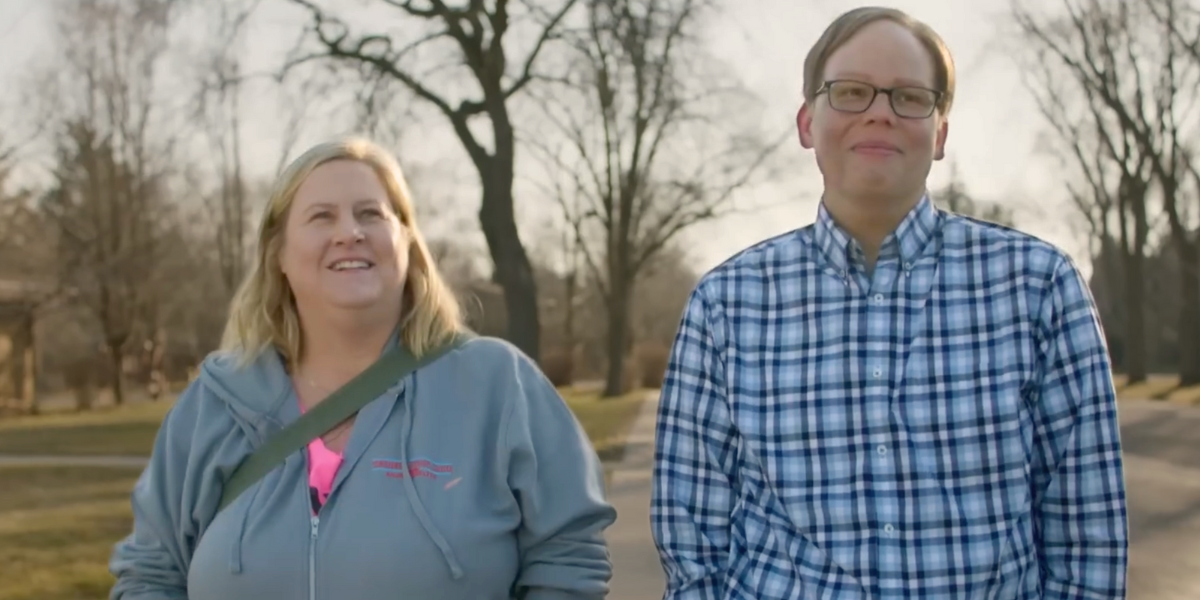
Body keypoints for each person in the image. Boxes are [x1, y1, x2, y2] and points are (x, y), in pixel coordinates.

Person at [651, 6, 1128, 599]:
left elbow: (1087, 533)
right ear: (806, 123)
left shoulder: (1039, 288)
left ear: (941, 133)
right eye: (850, 92)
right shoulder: (725, 306)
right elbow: (691, 536)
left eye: (909, 97)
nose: (879, 111)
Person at [108, 137, 616, 600]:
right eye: (322, 216)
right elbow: (152, 573)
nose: (349, 233)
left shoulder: (497, 385)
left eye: (371, 214)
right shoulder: (216, 401)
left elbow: (568, 558)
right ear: (278, 253)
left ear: (408, 243)